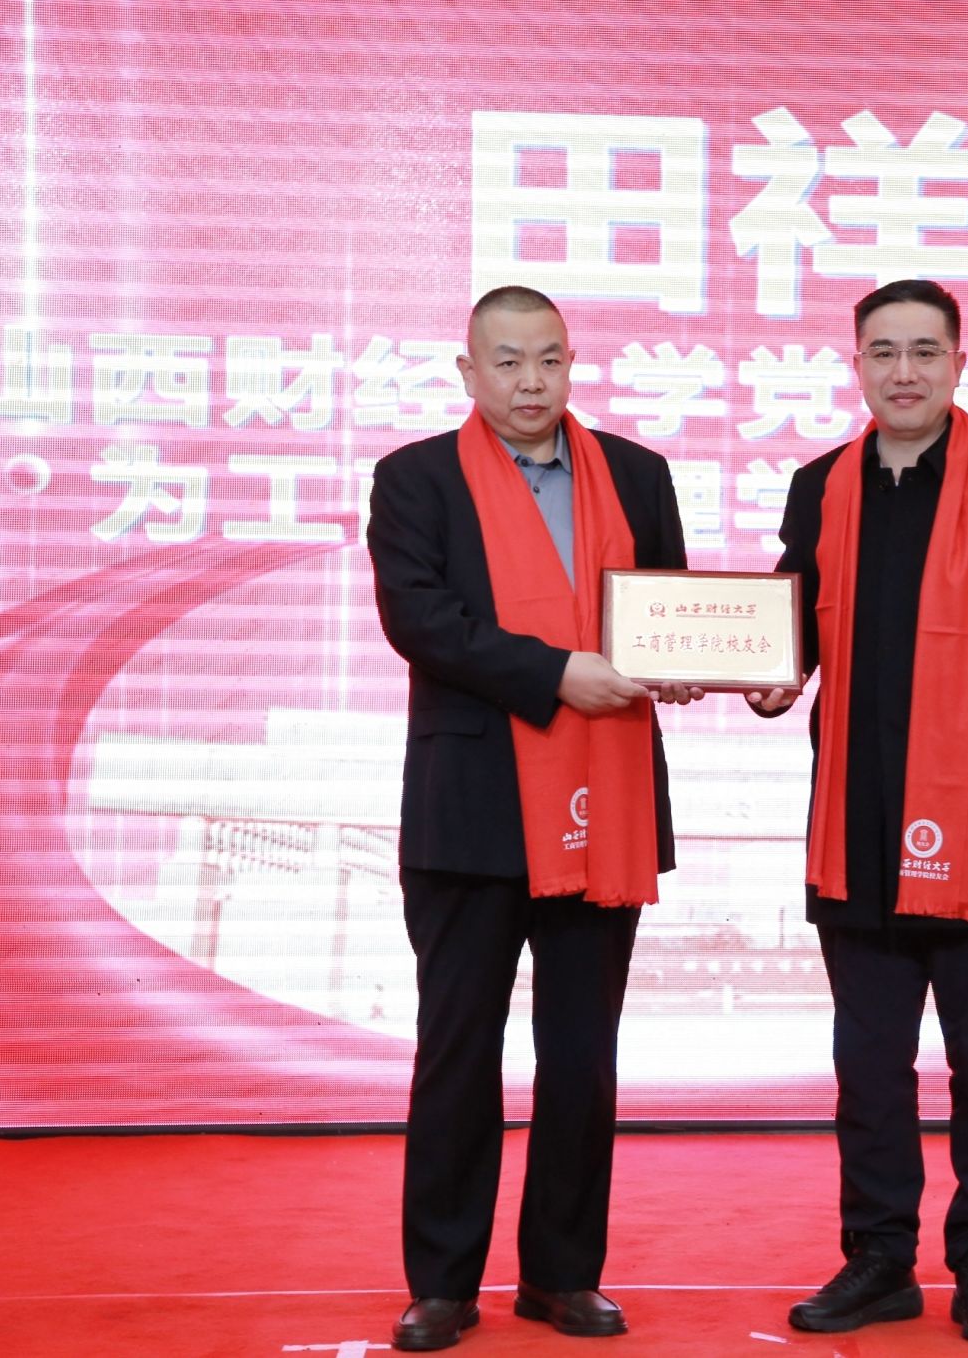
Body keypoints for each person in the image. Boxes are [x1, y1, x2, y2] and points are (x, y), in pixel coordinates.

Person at [748, 278, 968, 1342]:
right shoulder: (819, 486)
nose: (903, 372)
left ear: (958, 363)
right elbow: (791, 622)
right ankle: (879, 1256)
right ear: (856, 364)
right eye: (883, 352)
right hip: (855, 821)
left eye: (924, 352)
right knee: (868, 1065)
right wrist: (769, 676)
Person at [367, 285, 700, 1350]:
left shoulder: (637, 475)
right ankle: (442, 1283)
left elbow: (667, 612)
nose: (529, 382)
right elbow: (422, 621)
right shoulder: (415, 478)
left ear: (571, 364)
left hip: (604, 801)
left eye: (548, 359)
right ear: (468, 371)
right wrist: (558, 673)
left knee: (581, 1055)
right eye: (506, 362)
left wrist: (687, 665)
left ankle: (561, 1274)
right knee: (457, 1053)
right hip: (471, 811)